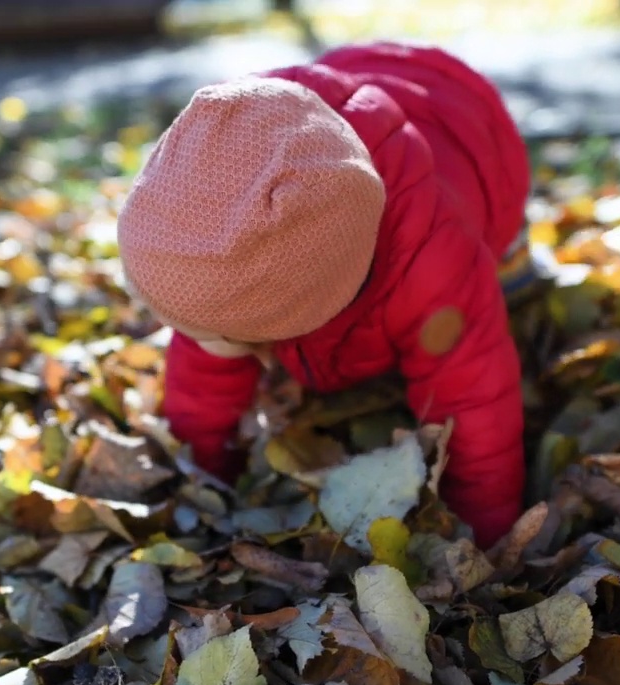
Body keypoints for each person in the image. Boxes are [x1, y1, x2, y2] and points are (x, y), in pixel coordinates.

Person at [117, 42, 532, 548]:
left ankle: (518, 260)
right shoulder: (228, 182)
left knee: (487, 287)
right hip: (353, 93)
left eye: (207, 333)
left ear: (298, 317)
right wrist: (202, 470)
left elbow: (475, 398)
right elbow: (202, 383)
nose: (187, 340)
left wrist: (484, 525)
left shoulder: (432, 266)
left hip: (464, 125)